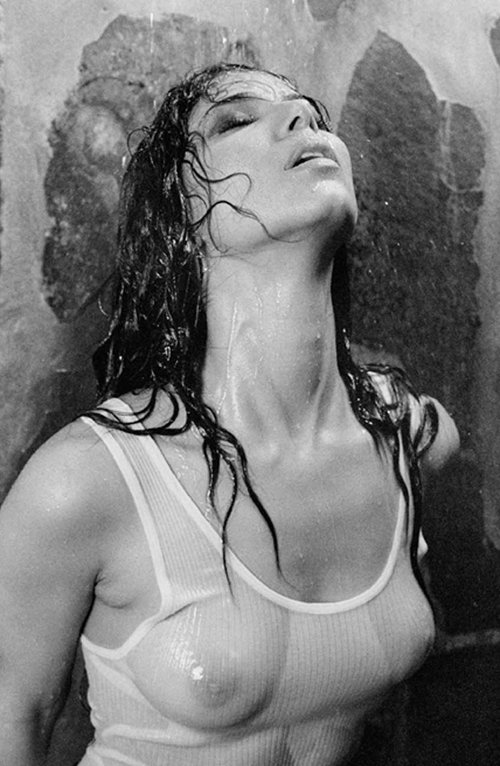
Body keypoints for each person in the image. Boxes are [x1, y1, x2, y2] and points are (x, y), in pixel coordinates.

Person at [0, 62, 459, 766]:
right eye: (237, 119)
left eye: (312, 114)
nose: (304, 121)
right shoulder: (87, 481)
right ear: (181, 211)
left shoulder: (409, 435)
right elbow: (14, 719)